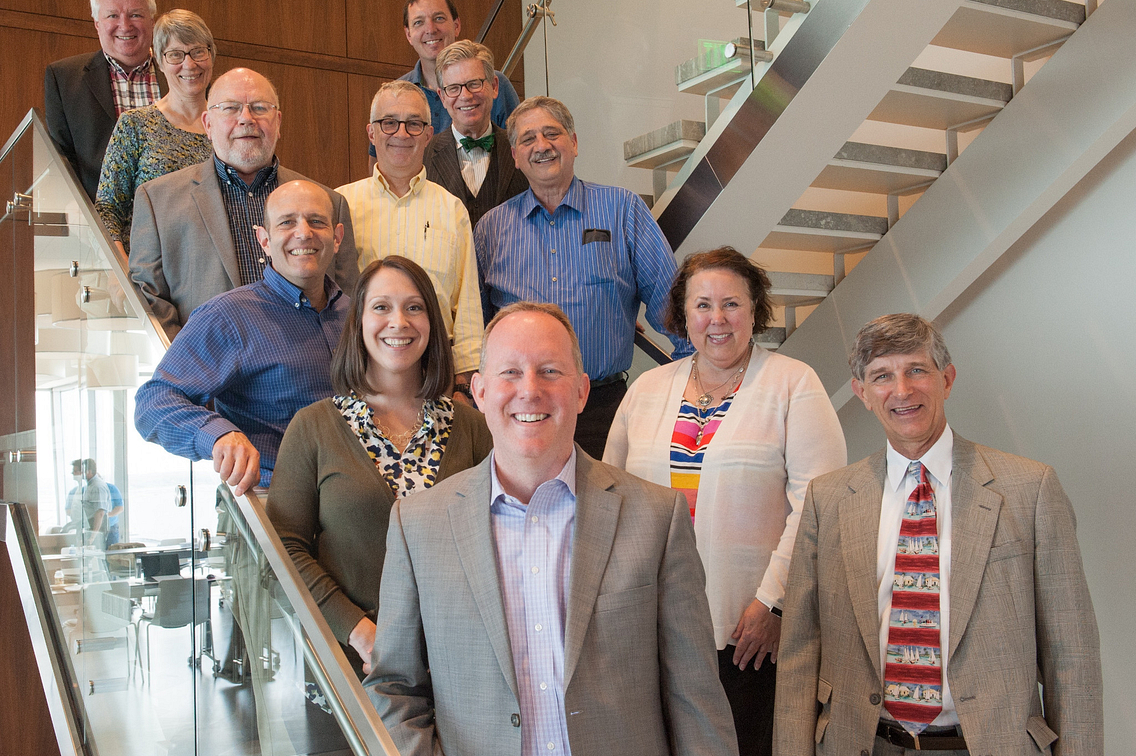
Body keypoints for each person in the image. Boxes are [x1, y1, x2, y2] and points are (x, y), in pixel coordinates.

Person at [365, 302, 738, 756]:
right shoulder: (417, 525)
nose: (529, 391)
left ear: (581, 392)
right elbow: (394, 688)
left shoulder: (657, 517)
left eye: (549, 371)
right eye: (510, 373)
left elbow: (695, 698)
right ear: (479, 392)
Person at [774, 313, 1102, 756]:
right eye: (882, 376)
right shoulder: (827, 499)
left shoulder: (1030, 489)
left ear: (946, 379)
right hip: (864, 743)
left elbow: (1071, 656)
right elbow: (799, 652)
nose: (902, 390)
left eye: (916, 370)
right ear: (863, 393)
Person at [603, 248, 846, 756]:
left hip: (749, 633)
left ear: (755, 310)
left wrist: (774, 604)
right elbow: (611, 497)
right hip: (654, 622)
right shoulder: (647, 388)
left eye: (732, 304)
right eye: (703, 305)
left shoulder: (792, 384)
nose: (717, 319)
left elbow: (818, 506)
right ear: (682, 315)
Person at [267, 256, 492, 682]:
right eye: (381, 307)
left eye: (414, 307)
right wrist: (360, 633)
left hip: (459, 665)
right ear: (358, 322)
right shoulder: (314, 427)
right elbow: (284, 550)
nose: (399, 322)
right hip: (349, 668)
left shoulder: (474, 428)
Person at [475, 96, 691, 457]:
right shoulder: (490, 230)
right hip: (522, 412)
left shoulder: (622, 210)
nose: (541, 146)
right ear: (515, 155)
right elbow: (477, 330)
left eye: (551, 134)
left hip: (605, 409)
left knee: (606, 510)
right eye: (528, 139)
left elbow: (676, 311)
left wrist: (695, 390)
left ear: (573, 142)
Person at [134, 180, 350, 496]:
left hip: (356, 503)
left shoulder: (359, 313)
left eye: (317, 221)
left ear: (337, 236)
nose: (303, 233)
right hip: (272, 506)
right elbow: (153, 403)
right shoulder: (228, 316)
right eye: (287, 222)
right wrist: (218, 435)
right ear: (264, 240)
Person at [128, 67, 359, 339]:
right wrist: (191, 364)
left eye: (260, 108)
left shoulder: (330, 203)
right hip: (207, 372)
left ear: (278, 122)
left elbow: (348, 302)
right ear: (208, 124)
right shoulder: (157, 201)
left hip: (309, 371)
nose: (246, 119)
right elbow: (149, 300)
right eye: (230, 108)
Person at [336, 81, 483, 391]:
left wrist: (463, 384)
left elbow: (467, 303)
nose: (401, 134)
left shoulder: (452, 209)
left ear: (428, 135)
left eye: (414, 124)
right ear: (371, 133)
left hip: (435, 372)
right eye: (389, 123)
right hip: (358, 371)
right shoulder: (340, 205)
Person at [95, 9, 215, 255]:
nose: (189, 64)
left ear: (211, 55)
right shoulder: (135, 125)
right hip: (148, 275)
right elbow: (107, 209)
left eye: (198, 52)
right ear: (159, 62)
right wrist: (122, 276)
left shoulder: (228, 127)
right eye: (175, 55)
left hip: (214, 273)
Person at [365, 0, 520, 172]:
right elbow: (378, 165)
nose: (430, 29)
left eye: (439, 18)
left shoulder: (493, 84)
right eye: (419, 22)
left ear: (456, 25)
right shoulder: (393, 96)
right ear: (408, 34)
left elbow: (519, 149)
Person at [44, 0, 162, 200]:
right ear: (97, 23)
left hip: (175, 221)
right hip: (97, 222)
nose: (125, 25)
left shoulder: (182, 73)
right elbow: (61, 160)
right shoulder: (64, 78)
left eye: (135, 15)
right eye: (112, 16)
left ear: (152, 21)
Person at [423, 40, 528, 228]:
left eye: (474, 84)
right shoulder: (422, 157)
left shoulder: (522, 149)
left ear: (494, 87)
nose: (465, 96)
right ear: (442, 97)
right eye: (453, 88)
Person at [66, 458, 112, 540]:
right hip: (90, 525)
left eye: (82, 471)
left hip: (96, 528)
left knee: (94, 551)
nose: (81, 474)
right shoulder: (89, 485)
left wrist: (93, 536)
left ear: (89, 472)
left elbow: (100, 512)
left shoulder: (97, 486)